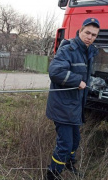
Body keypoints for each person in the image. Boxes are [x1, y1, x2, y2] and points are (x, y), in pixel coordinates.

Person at [45, 18, 100, 180]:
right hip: (62, 106)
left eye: (94, 35)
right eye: (87, 33)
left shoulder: (88, 51)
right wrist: (77, 81)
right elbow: (55, 72)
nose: (90, 37)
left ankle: (68, 165)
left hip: (75, 106)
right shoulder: (68, 49)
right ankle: (52, 174)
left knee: (75, 141)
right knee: (65, 145)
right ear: (80, 31)